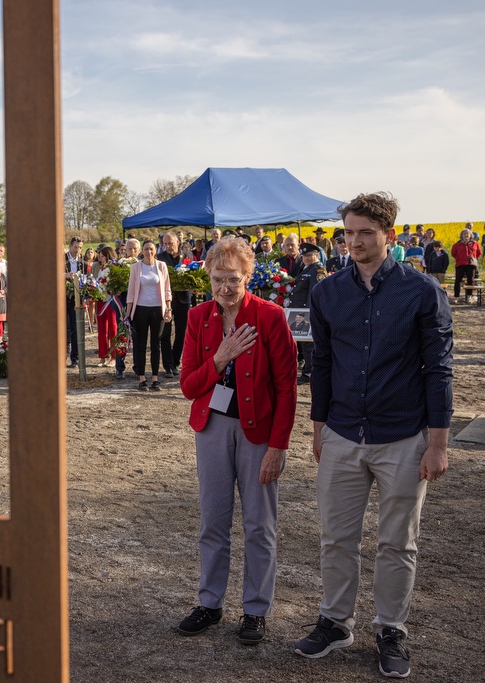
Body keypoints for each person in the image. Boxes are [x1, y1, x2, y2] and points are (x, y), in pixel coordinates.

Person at [295, 192, 452, 679]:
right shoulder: (327, 293)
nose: (356, 241)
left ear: (389, 234)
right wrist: (319, 429)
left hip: (403, 435)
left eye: (366, 232)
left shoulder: (422, 291)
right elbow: (322, 364)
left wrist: (438, 443)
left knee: (398, 542)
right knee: (336, 538)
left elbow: (438, 369)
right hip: (341, 432)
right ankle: (335, 622)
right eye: (349, 233)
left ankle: (390, 629)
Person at [177, 237, 298, 645]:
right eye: (218, 279)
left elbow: (287, 387)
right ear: (208, 278)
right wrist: (220, 358)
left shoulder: (270, 316)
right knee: (213, 521)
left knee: (259, 525)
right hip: (211, 428)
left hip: (258, 433)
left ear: (248, 276)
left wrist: (278, 447)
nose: (225, 287)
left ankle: (256, 610)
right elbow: (188, 386)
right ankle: (210, 602)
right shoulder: (198, 317)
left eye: (233, 279)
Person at [126, 240, 171, 391]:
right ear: (142, 251)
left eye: (151, 249)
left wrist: (168, 309)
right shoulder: (135, 267)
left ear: (155, 250)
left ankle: (155, 378)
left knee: (156, 344)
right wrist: (128, 313)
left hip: (158, 309)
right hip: (140, 309)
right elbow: (131, 292)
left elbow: (167, 290)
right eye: (146, 249)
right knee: (141, 344)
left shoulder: (161, 266)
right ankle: (142, 378)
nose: (149, 252)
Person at [292, 243, 326, 384]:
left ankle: (309, 372)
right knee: (304, 344)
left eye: (309, 255)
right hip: (300, 312)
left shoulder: (317, 270)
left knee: (308, 344)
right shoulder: (306, 269)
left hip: (307, 312)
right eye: (304, 256)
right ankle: (308, 369)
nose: (306, 258)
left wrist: (310, 313)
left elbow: (314, 293)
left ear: (316, 256)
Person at [158, 232, 190, 377]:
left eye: (170, 243)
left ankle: (175, 362)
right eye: (165, 244)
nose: (168, 246)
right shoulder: (160, 258)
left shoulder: (187, 257)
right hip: (165, 300)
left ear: (178, 242)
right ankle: (168, 366)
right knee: (165, 334)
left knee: (181, 333)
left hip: (183, 299)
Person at [65, 237, 85, 365]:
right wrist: (65, 275)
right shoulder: (60, 259)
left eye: (80, 248)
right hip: (61, 297)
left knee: (75, 328)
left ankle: (75, 357)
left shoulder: (83, 263)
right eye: (75, 247)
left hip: (76, 299)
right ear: (70, 246)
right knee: (61, 327)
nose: (78, 250)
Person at [450, 227, 481, 304]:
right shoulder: (457, 244)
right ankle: (456, 297)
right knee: (458, 280)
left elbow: (478, 253)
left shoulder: (475, 244)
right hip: (460, 264)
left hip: (471, 264)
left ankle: (469, 297)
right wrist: (459, 258)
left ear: (470, 235)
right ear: (461, 235)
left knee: (470, 280)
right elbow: (453, 253)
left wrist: (472, 257)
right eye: (464, 234)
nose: (466, 235)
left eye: (467, 234)